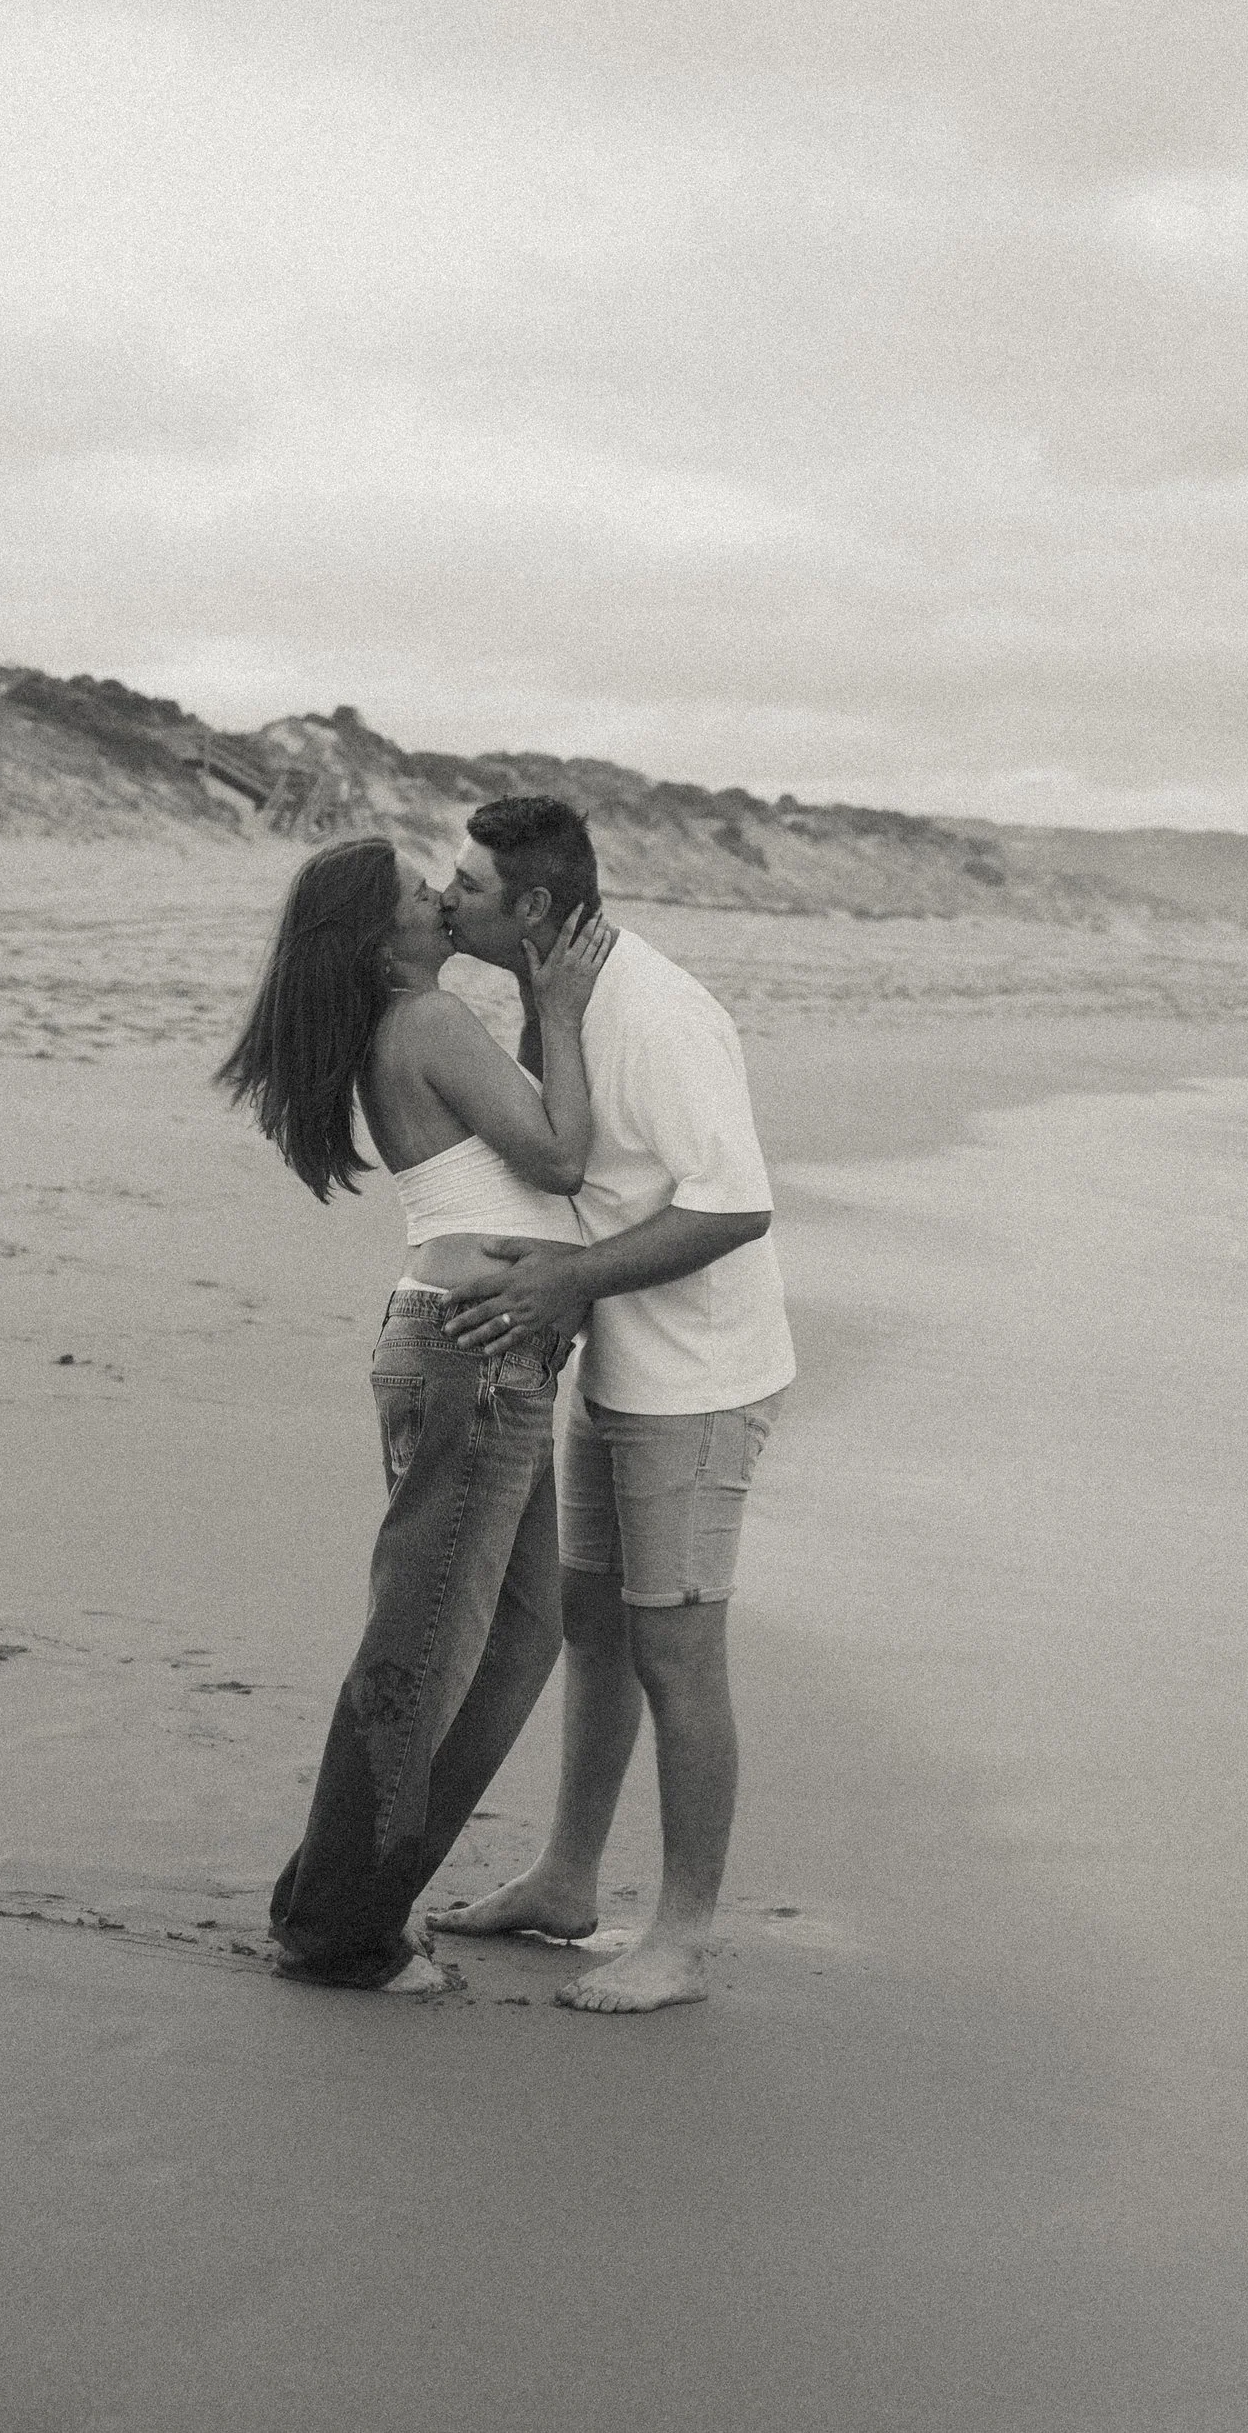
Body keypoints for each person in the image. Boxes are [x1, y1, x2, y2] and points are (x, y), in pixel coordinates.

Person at [215, 836, 613, 1993]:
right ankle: (338, 1931)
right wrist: (570, 1009)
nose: (443, 901)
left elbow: (523, 1134)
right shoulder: (427, 1023)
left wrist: (540, 1013)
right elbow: (562, 1157)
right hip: (468, 1354)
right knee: (426, 1642)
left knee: (521, 1632)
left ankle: (354, 1894)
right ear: (379, 943)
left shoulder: (422, 1026)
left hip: (476, 1348)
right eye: (418, 897)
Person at [429, 794, 795, 2011]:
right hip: (624, 1366)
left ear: (533, 907)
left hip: (698, 1381)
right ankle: (567, 1879)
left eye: (470, 886)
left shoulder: (661, 1011)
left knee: (677, 1652)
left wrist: (564, 1287)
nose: (447, 898)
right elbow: (567, 1160)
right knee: (595, 1625)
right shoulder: (562, 996)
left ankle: (682, 1936)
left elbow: (734, 1205)